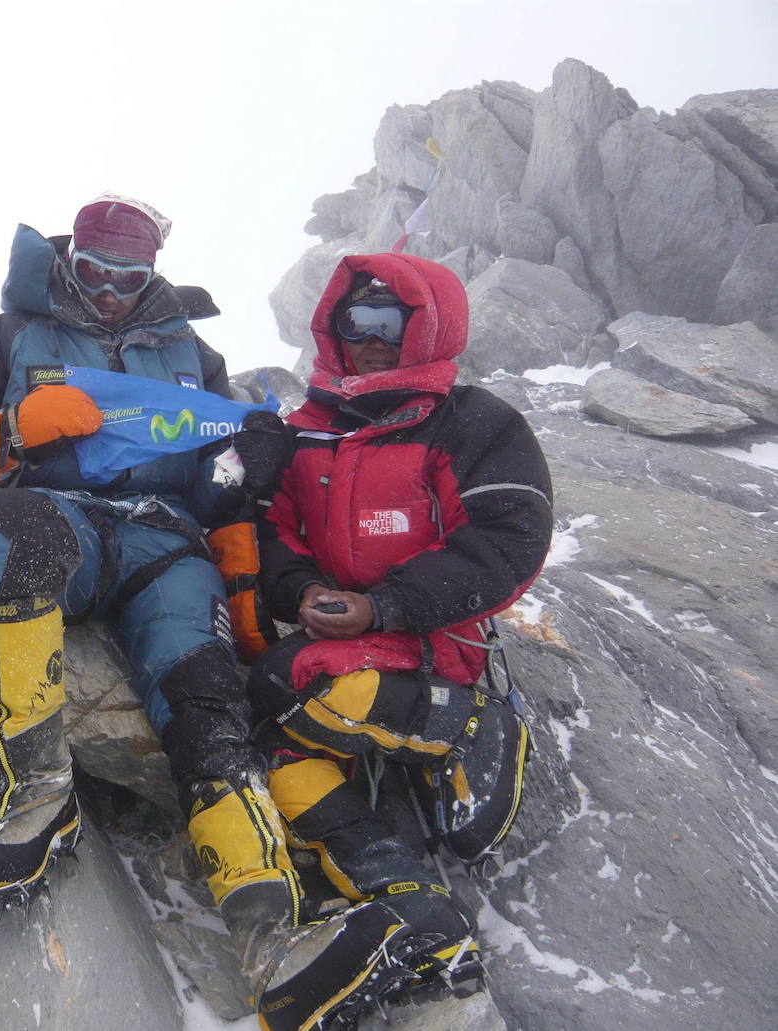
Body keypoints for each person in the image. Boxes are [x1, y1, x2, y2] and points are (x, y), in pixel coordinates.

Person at [0, 196, 431, 1030]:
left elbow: (215, 487)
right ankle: (37, 789)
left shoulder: (195, 353)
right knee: (5, 528)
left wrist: (240, 517)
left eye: (131, 277)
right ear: (67, 261)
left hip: (166, 545)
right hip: (60, 521)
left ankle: (276, 944)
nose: (112, 294)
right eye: (94, 274)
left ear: (153, 273)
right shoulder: (3, 338)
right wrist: (9, 430)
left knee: (208, 703)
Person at [247, 251, 554, 1020]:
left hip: (437, 640)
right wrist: (303, 589)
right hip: (346, 630)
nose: (373, 338)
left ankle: (473, 723)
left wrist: (385, 605)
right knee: (279, 753)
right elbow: (270, 528)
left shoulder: (474, 421)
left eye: (393, 320)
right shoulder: (306, 430)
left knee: (291, 680)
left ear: (430, 326)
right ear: (334, 329)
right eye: (357, 321)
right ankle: (412, 905)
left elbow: (510, 535)